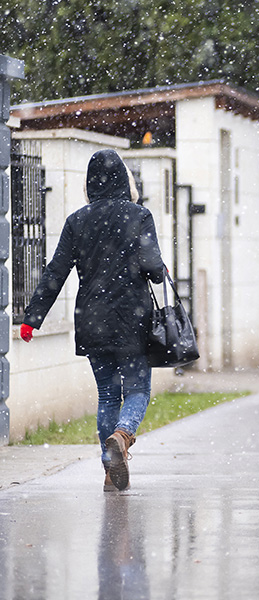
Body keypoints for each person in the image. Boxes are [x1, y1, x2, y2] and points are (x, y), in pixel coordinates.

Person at [19, 149, 165, 492]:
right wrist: (157, 268)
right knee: (138, 389)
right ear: (123, 180)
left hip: (92, 320)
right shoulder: (139, 215)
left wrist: (32, 319)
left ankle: (109, 469)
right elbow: (154, 269)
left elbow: (55, 271)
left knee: (108, 396)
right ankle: (123, 436)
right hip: (132, 320)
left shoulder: (77, 220)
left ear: (90, 183)